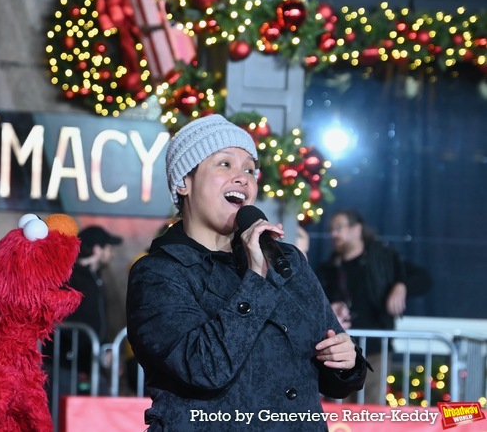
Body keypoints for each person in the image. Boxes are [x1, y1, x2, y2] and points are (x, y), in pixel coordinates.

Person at [126, 114, 368, 431]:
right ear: (184, 182)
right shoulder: (158, 273)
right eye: (225, 164)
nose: (243, 178)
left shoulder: (286, 260)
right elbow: (204, 368)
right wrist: (255, 280)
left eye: (250, 169)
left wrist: (347, 362)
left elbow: (336, 378)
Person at [315, 208, 407, 404]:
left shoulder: (382, 260)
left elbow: (421, 278)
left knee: (371, 410)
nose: (333, 234)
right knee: (337, 411)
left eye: (339, 228)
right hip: (338, 351)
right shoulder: (328, 268)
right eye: (331, 229)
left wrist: (401, 285)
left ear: (356, 229)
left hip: (375, 351)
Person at [44, 225, 122, 398]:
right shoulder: (71, 278)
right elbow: (66, 319)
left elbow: (93, 320)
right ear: (96, 249)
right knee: (60, 416)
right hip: (64, 363)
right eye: (108, 248)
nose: (112, 254)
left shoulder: (94, 278)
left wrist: (103, 346)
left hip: (87, 362)